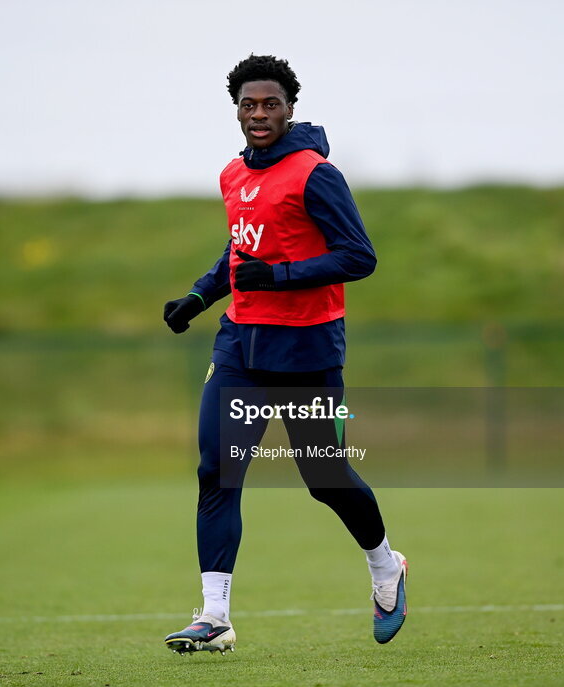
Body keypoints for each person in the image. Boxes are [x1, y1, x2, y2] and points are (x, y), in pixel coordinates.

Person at [161, 54, 407, 655]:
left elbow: (359, 256)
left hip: (307, 352)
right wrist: (197, 296)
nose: (259, 114)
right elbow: (241, 254)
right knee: (217, 470)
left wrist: (284, 276)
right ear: (236, 112)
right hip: (241, 345)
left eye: (270, 104)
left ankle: (385, 567)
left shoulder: (316, 174)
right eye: (248, 105)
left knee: (324, 476)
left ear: (290, 108)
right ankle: (215, 618)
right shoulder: (233, 176)